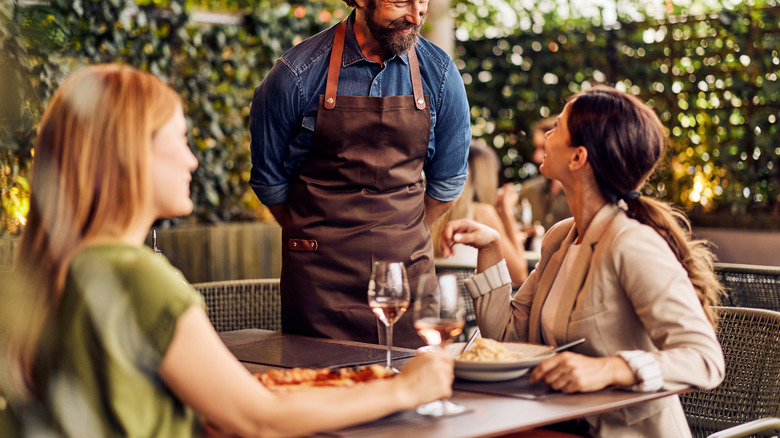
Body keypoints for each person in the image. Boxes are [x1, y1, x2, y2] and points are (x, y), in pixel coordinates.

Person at [0, 64, 454, 437]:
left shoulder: (55, 272)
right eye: (178, 140)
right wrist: (405, 391)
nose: (192, 160)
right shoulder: (138, 278)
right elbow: (259, 419)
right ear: (131, 155)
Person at [439, 86, 725, 437]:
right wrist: (491, 248)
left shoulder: (630, 241)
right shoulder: (561, 237)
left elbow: (705, 358)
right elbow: (504, 337)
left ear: (578, 158)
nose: (546, 135)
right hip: (556, 425)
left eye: (557, 128)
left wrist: (610, 369)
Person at [248, 0, 471, 348]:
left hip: (406, 282)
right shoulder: (295, 74)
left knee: (410, 390)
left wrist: (403, 232)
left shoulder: (440, 73)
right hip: (319, 286)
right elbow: (269, 182)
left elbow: (448, 181)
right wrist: (315, 236)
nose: (416, 15)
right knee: (319, 390)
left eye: (422, 0)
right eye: (400, 1)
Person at [432, 142, 528, 287]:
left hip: (436, 304)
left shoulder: (434, 212)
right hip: (472, 308)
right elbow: (520, 275)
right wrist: (507, 213)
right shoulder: (482, 213)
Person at [506, 115, 571, 241]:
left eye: (544, 147)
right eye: (536, 148)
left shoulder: (584, 196)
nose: (536, 157)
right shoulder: (529, 190)